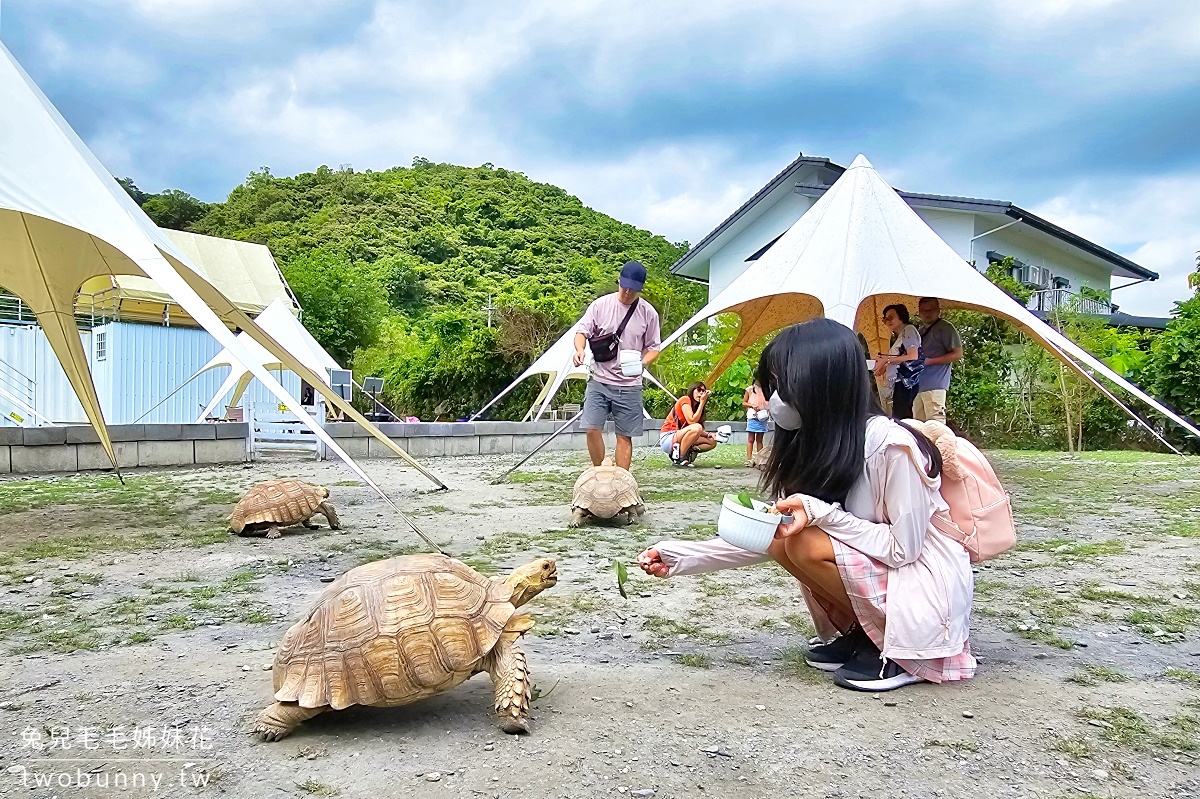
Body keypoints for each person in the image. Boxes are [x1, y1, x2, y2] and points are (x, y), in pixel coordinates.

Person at [636, 319, 976, 692]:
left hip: (921, 589)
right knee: (787, 536)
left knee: (803, 540)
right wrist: (679, 556)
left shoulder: (890, 446)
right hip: (888, 576)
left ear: (823, 386)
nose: (775, 399)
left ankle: (897, 651)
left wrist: (822, 513)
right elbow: (769, 536)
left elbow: (903, 549)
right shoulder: (823, 443)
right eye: (774, 385)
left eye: (784, 385)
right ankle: (864, 632)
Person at [573, 261, 662, 470]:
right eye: (625, 287)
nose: (628, 292)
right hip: (599, 379)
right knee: (591, 428)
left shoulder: (648, 314)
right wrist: (580, 350)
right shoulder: (600, 306)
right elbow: (581, 332)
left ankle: (622, 479)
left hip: (630, 384)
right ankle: (599, 471)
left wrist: (643, 363)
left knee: (625, 435)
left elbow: (654, 347)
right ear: (619, 282)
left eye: (634, 289)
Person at [914, 298, 963, 424]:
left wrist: (930, 361)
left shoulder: (946, 328)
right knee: (918, 428)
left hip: (935, 385)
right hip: (917, 386)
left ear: (938, 310)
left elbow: (957, 353)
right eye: (924, 310)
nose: (927, 313)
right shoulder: (919, 332)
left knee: (936, 426)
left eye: (931, 309)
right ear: (919, 312)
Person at [873, 304, 923, 420]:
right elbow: (900, 358)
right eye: (885, 319)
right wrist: (884, 366)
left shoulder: (909, 330)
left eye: (891, 317)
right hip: (900, 382)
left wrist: (886, 360)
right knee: (899, 416)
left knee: (902, 418)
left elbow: (913, 355)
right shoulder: (902, 334)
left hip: (906, 382)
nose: (887, 321)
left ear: (901, 316)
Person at [659, 382, 717, 466]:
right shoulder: (685, 399)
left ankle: (688, 450)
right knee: (697, 427)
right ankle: (680, 458)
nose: (701, 393)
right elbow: (692, 422)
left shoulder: (697, 408)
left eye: (703, 391)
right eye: (699, 390)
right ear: (692, 390)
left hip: (683, 436)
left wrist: (709, 434)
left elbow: (695, 430)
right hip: (669, 437)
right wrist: (702, 403)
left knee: (712, 442)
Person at [742, 379, 768, 467]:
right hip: (752, 416)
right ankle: (749, 459)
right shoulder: (749, 389)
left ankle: (759, 459)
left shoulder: (766, 389)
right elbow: (744, 402)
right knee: (751, 439)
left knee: (760, 439)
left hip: (763, 417)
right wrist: (752, 405)